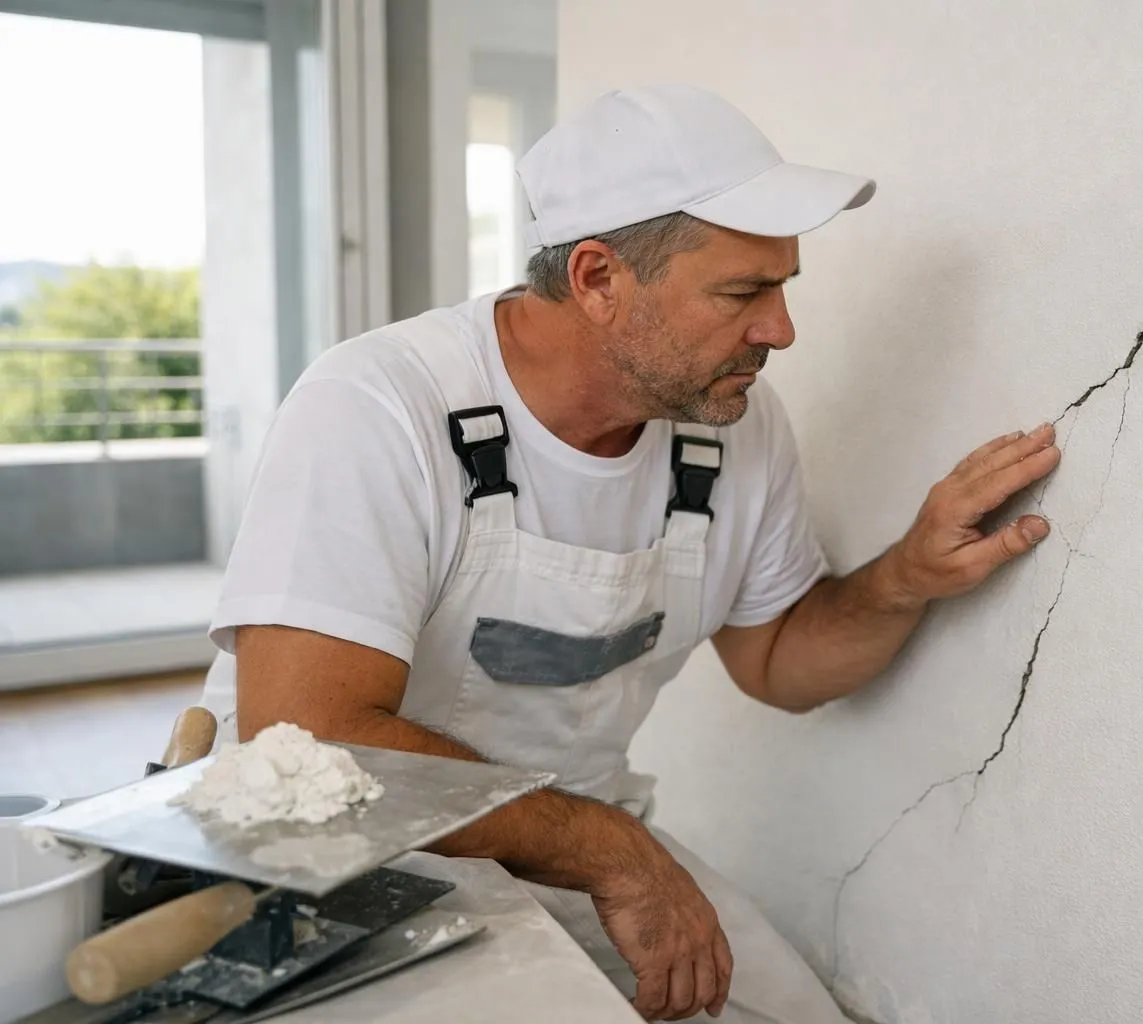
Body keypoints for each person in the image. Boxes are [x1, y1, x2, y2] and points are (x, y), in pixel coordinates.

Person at [198, 83, 1061, 1022]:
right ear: (599, 280)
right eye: (743, 293)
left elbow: (781, 664)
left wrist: (907, 578)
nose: (780, 329)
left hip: (570, 843)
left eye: (781, 287)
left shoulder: (733, 426)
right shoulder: (379, 404)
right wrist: (613, 852)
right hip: (331, 864)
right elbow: (309, 731)